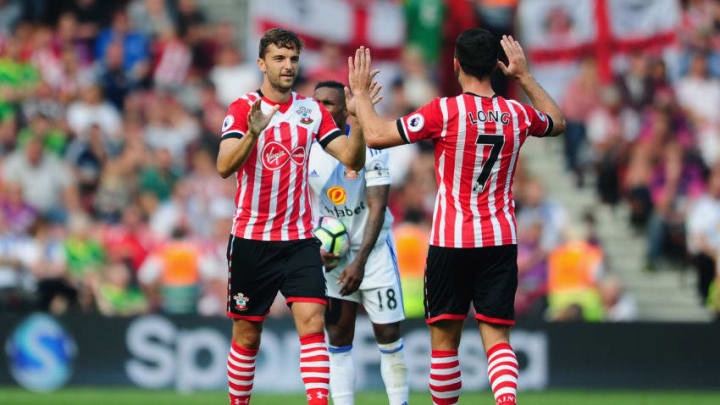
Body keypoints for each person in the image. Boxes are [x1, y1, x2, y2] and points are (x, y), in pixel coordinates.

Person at [348, 29, 565, 405]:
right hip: (499, 240)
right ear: (498, 66)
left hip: (451, 240)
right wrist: (524, 76)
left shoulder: (444, 111)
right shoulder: (518, 114)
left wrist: (363, 97)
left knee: (445, 342)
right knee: (497, 339)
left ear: (455, 65)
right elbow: (557, 121)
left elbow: (377, 135)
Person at [215, 28, 367, 405]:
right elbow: (223, 166)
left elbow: (351, 158)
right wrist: (252, 134)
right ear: (261, 63)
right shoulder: (242, 108)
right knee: (247, 335)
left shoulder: (310, 110)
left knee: (313, 324)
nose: (287, 66)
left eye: (293, 59)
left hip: (299, 239)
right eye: (279, 59)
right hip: (252, 240)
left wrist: (360, 117)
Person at [308, 80, 409, 405]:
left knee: (389, 336)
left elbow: (378, 205)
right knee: (337, 336)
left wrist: (360, 262)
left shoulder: (371, 145)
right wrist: (315, 248)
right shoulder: (306, 151)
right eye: (316, 103)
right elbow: (299, 208)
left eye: (328, 104)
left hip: (373, 252)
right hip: (331, 256)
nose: (319, 109)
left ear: (345, 109)